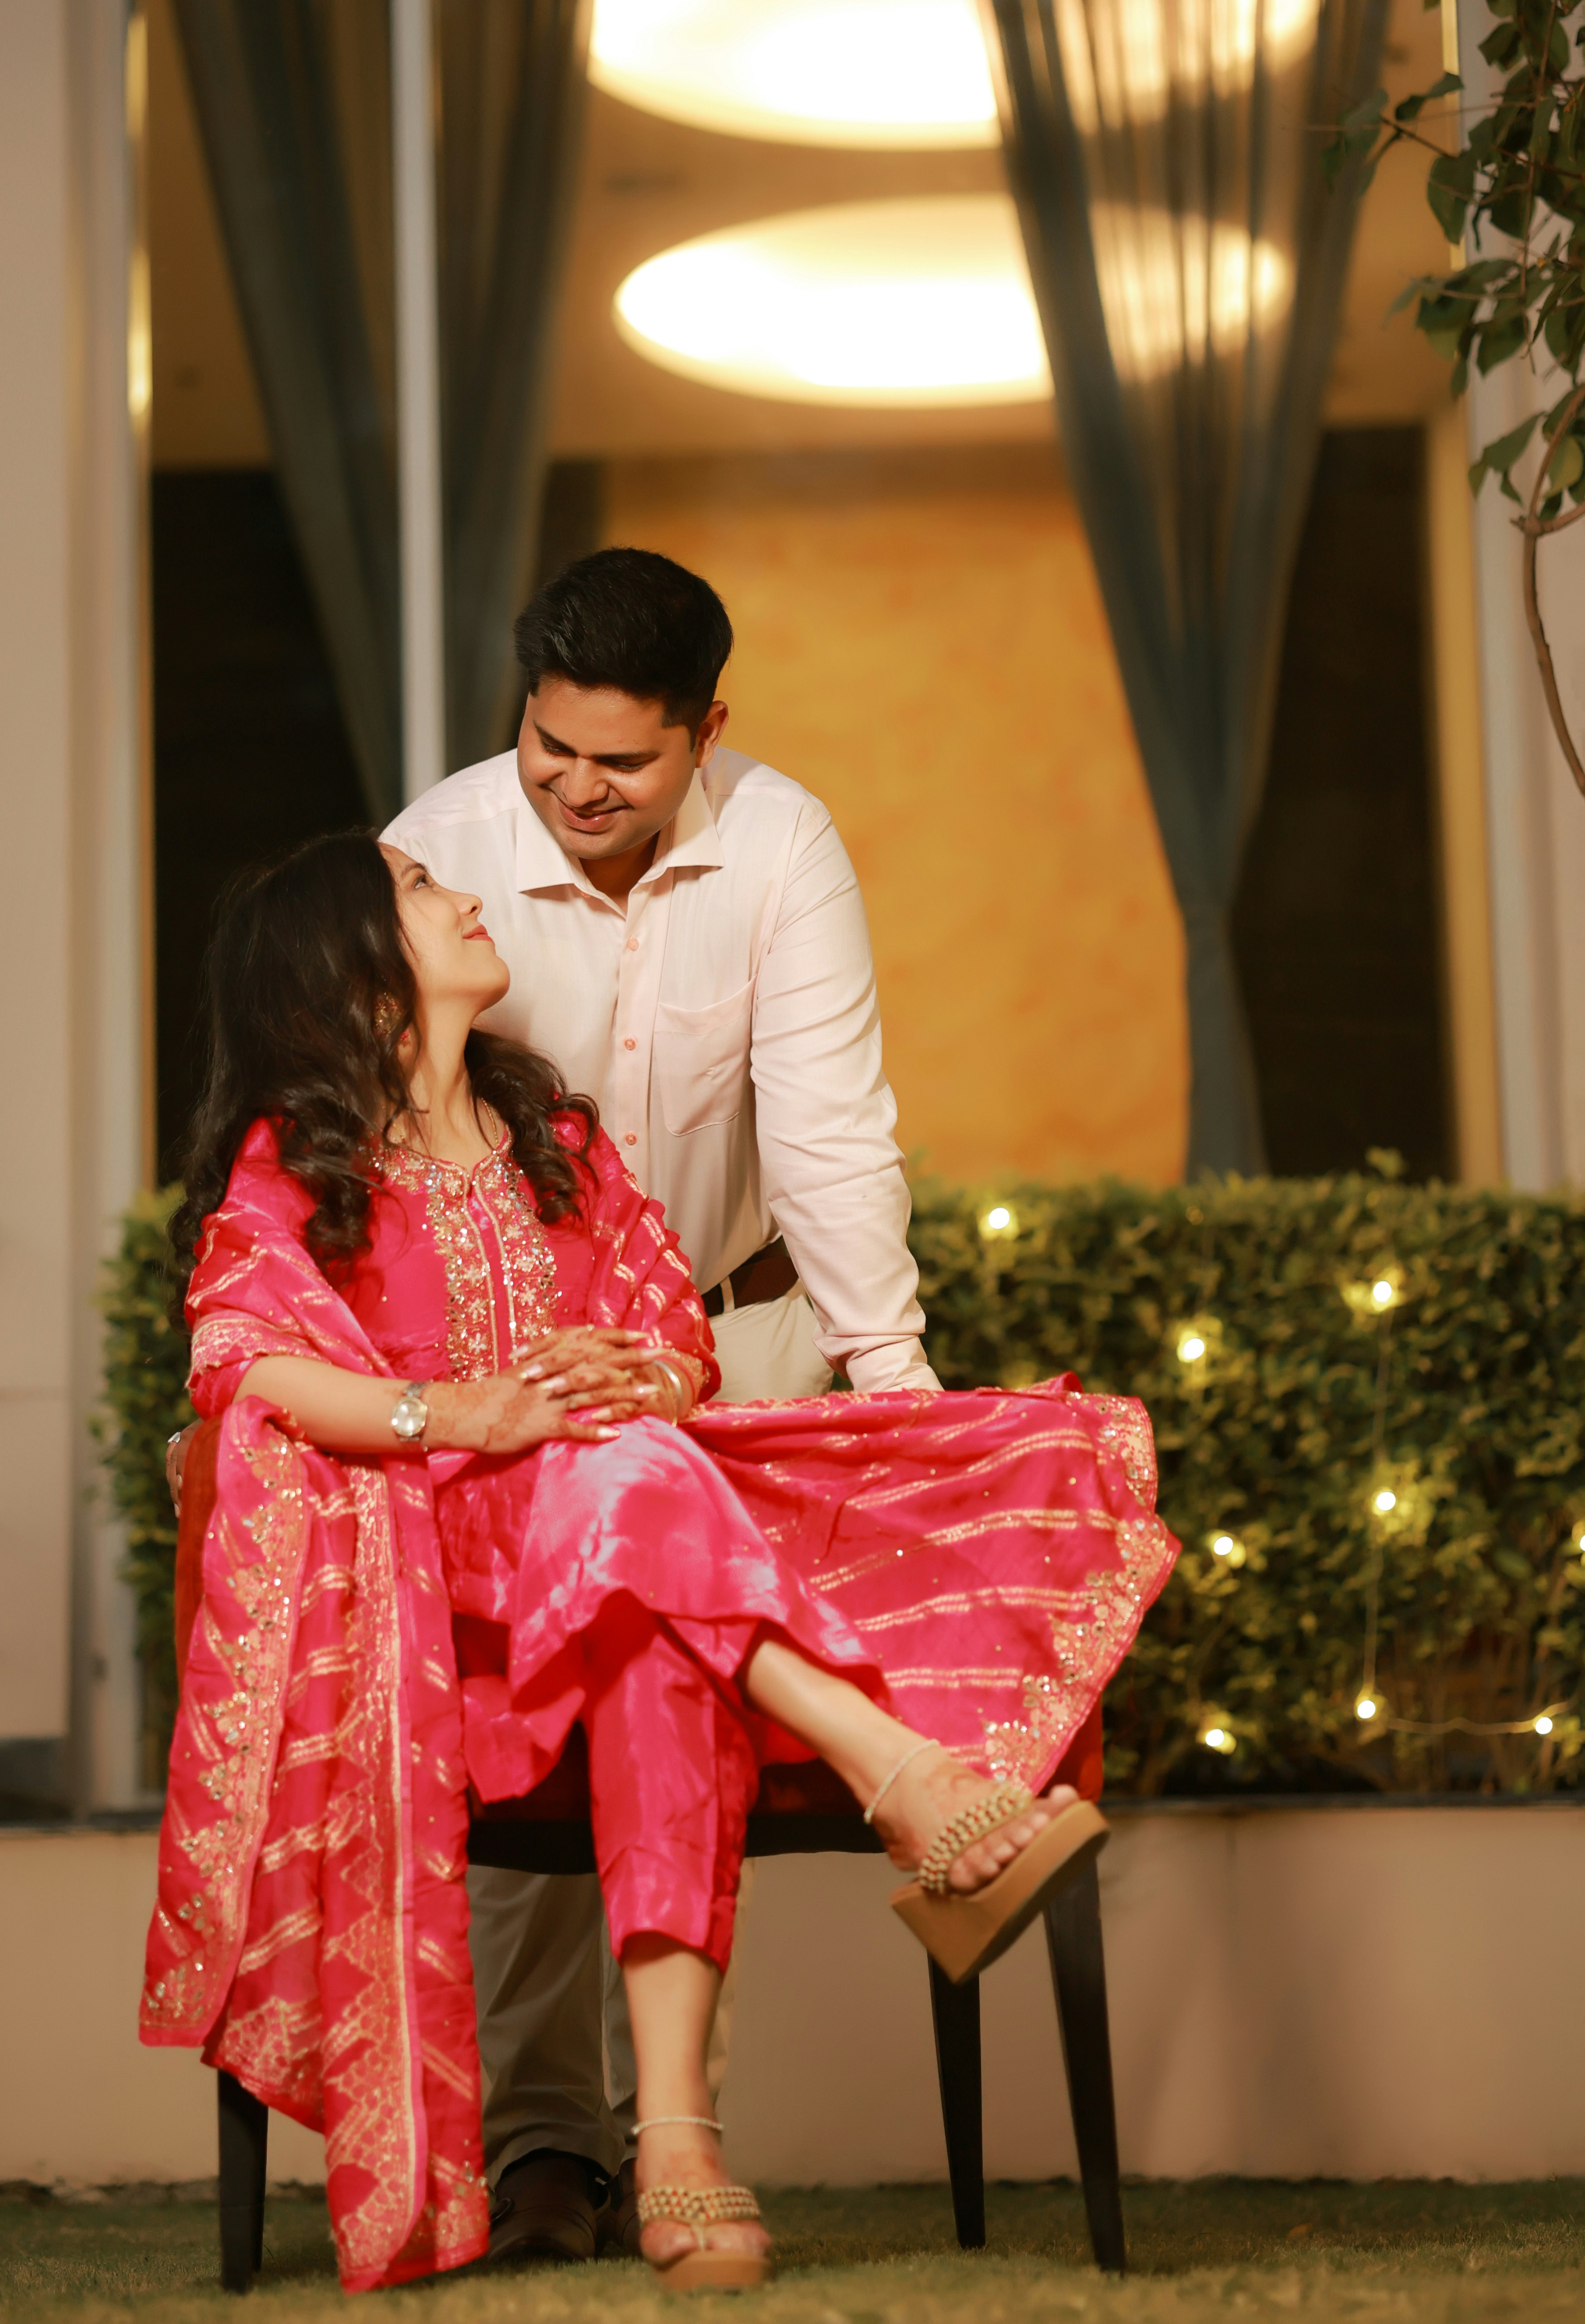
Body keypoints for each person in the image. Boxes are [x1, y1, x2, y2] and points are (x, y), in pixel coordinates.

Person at [143, 832, 1176, 2295]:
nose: (467, 900)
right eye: (427, 898)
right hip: (449, 1609)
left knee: (655, 1619)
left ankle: (680, 2144)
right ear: (361, 973)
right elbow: (245, 1369)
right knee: (624, 1491)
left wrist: (635, 1374)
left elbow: (680, 1342)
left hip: (629, 1579)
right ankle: (910, 1779)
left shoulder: (555, 1143)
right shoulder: (298, 1169)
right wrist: (469, 1410)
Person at [382, 547, 943, 2260]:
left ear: (708, 731)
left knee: (687, 1712)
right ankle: (550, 2142)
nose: (575, 789)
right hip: (525, 1373)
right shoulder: (440, 850)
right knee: (531, 1722)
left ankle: (678, 2129)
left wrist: (896, 1388)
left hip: (744, 1332)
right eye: (550, 747)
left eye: (621, 762)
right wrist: (500, 1385)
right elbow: (389, 1140)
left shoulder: (781, 842)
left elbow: (833, 1134)